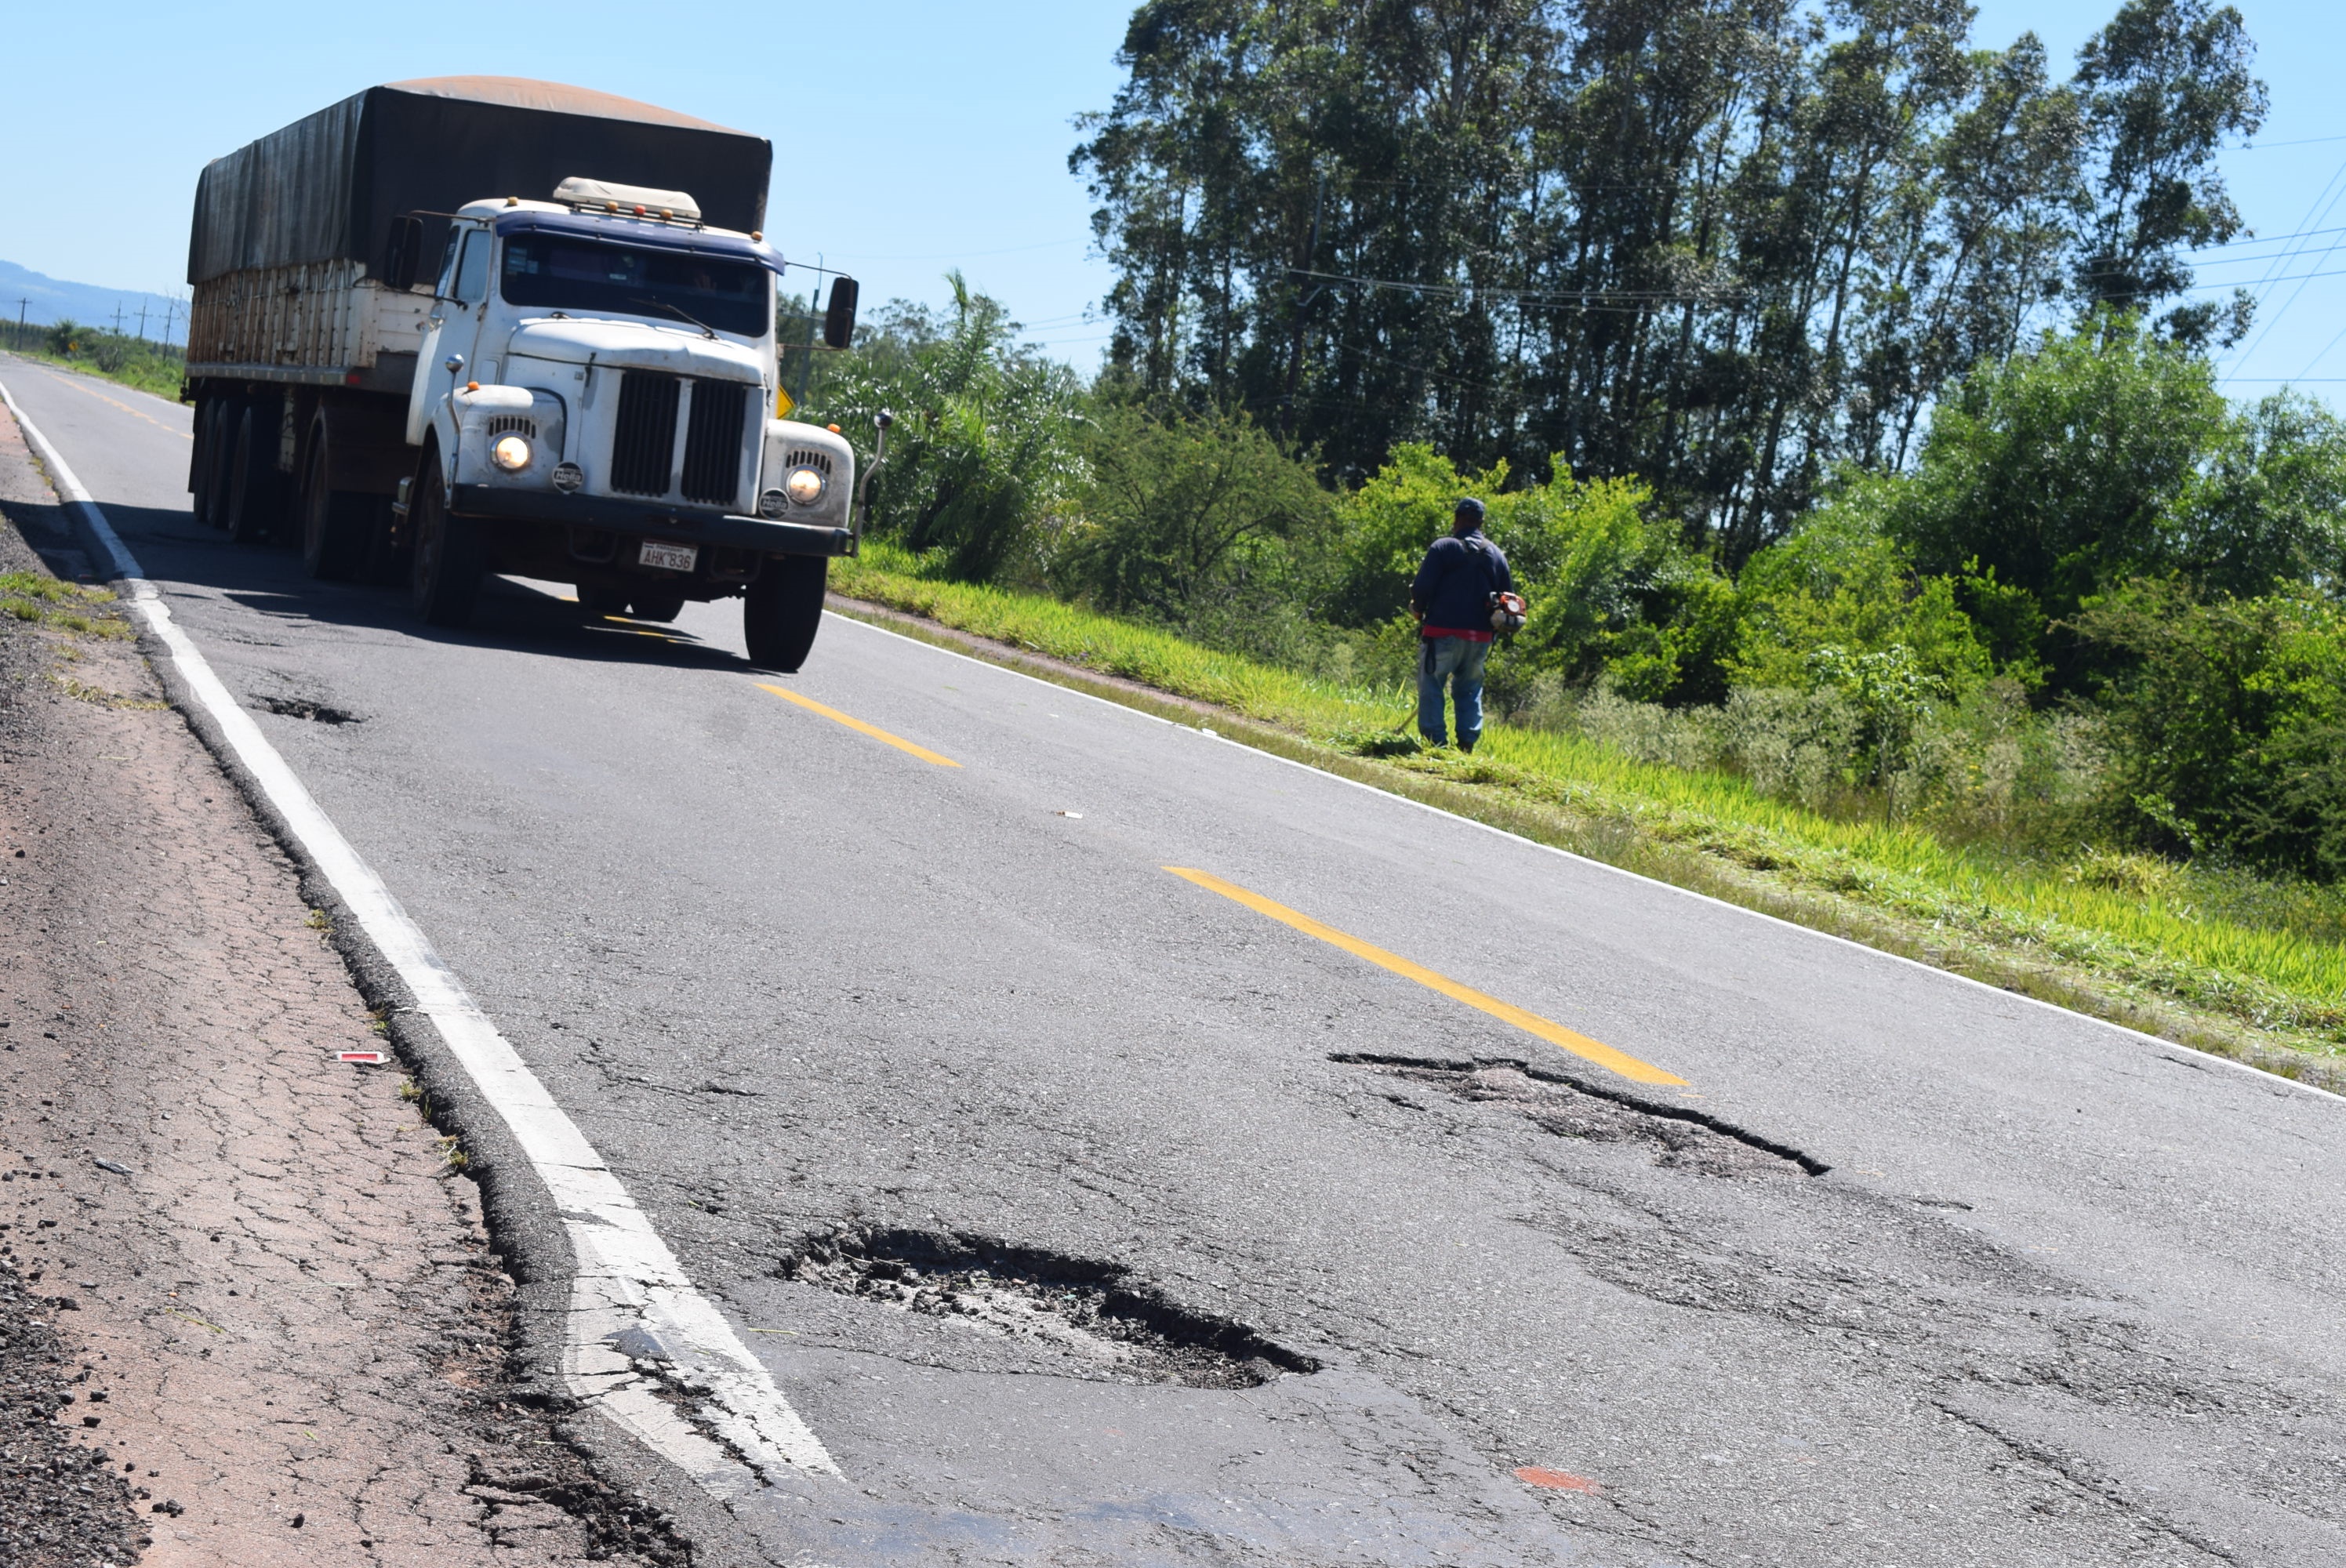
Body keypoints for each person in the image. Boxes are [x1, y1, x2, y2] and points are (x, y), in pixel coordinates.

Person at [1410, 497, 1513, 752]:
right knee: (1469, 689)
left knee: (1432, 685)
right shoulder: (1497, 554)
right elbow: (1508, 597)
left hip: (1441, 631)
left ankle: (1436, 744)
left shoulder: (1443, 547)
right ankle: (1466, 744)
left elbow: (1422, 588)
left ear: (1456, 520)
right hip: (1479, 639)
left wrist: (1418, 610)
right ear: (1481, 523)